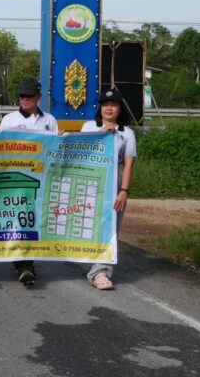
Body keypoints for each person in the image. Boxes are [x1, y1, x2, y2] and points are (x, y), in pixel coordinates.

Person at [0, 76, 59, 287]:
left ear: (39, 96)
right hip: (16, 178)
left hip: (39, 179)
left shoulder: (49, 120)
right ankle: (24, 265)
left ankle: (26, 263)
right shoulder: (9, 120)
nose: (25, 99)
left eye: (29, 96)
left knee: (33, 220)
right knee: (18, 219)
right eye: (22, 96)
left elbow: (54, 148)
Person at [81, 88, 136, 290]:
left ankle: (100, 271)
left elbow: (128, 164)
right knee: (89, 226)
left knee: (110, 228)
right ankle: (90, 262)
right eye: (105, 105)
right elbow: (79, 150)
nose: (109, 108)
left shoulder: (126, 133)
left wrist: (124, 191)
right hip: (90, 184)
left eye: (113, 105)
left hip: (115, 187)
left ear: (120, 109)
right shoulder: (89, 127)